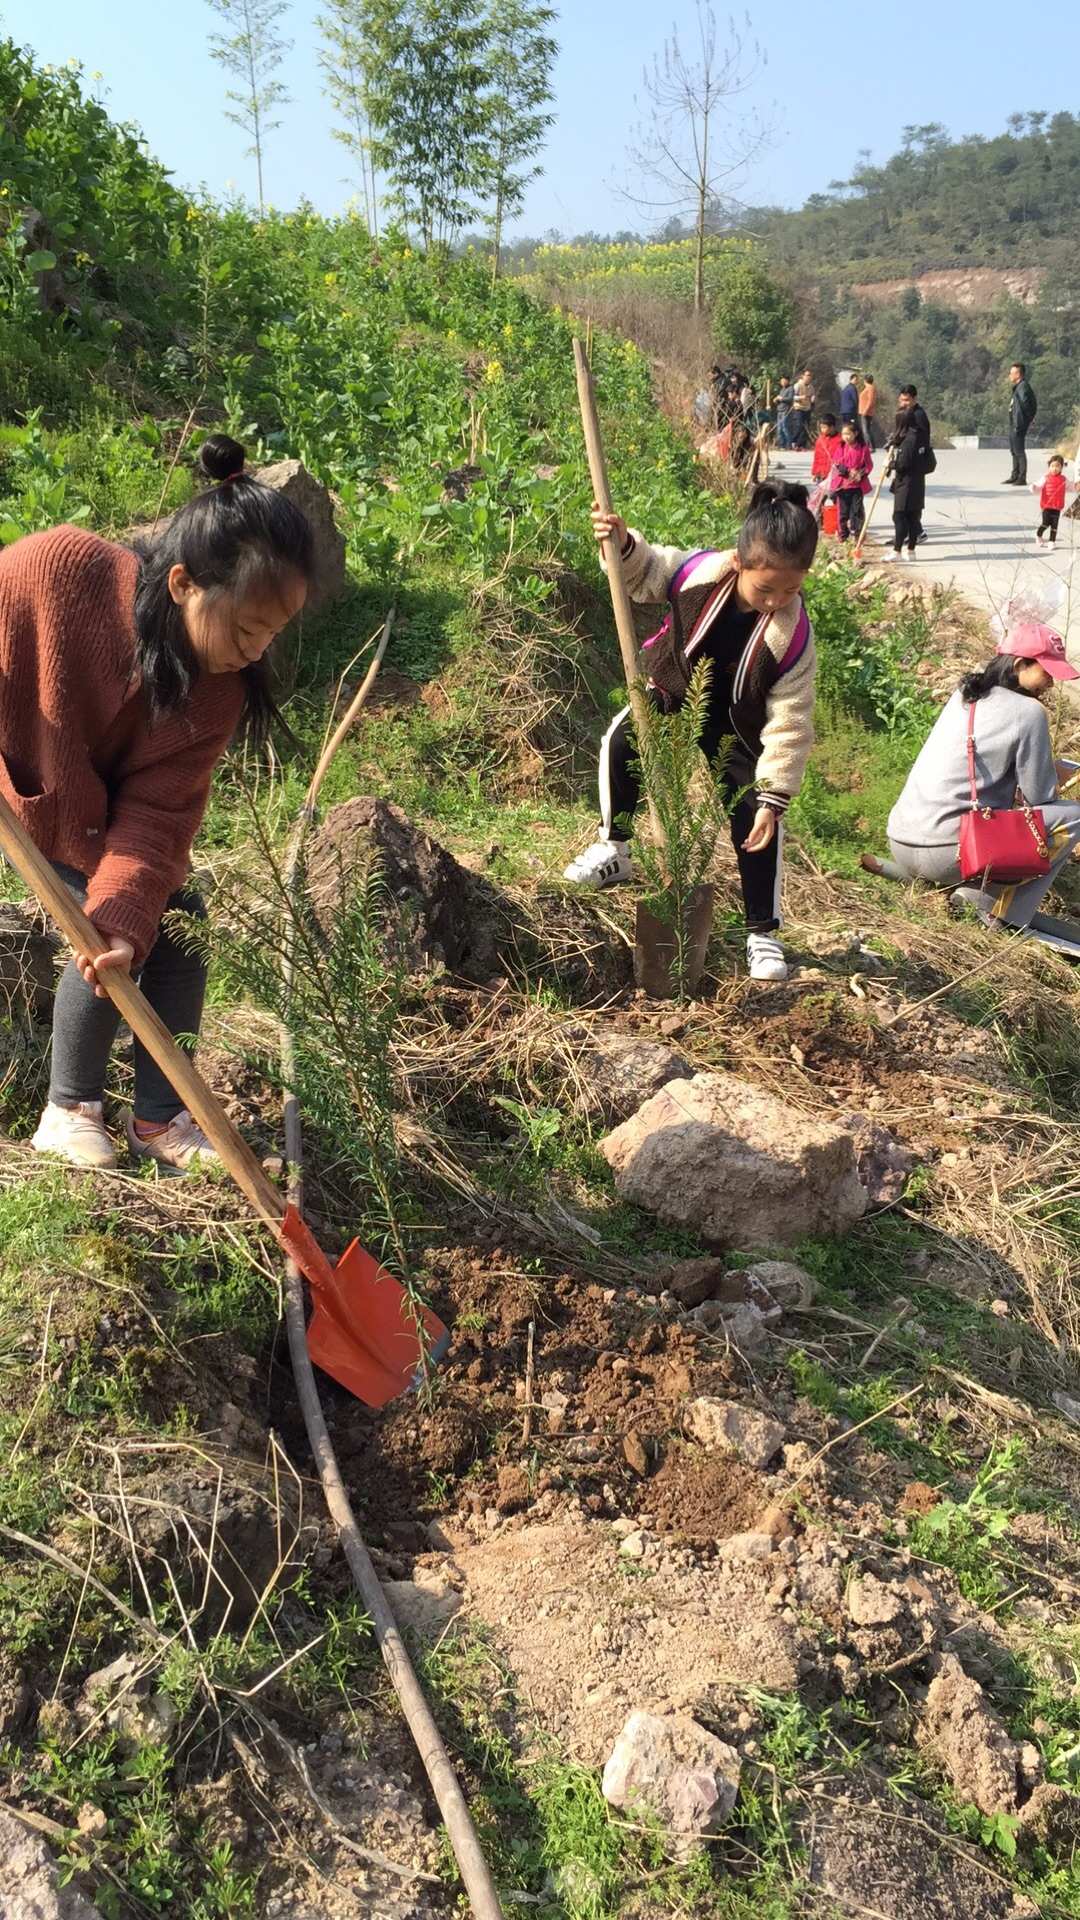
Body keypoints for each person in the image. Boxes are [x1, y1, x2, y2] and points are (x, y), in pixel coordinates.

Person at [0, 434, 314, 1172]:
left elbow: (159, 817)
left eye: (271, 635)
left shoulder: (218, 693)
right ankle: (67, 1107)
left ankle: (161, 1118)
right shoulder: (63, 572)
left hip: (92, 810)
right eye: (244, 629)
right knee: (89, 911)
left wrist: (127, 910)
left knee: (164, 922)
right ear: (183, 584)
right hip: (23, 783)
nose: (254, 652)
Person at [563, 481, 819, 983]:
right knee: (621, 741)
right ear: (740, 562)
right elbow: (648, 571)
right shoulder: (701, 573)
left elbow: (791, 719)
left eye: (790, 590)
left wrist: (774, 796)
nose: (776, 601)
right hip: (676, 687)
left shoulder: (793, 639)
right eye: (765, 589)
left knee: (754, 817)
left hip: (737, 723)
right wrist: (621, 544)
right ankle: (615, 848)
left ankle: (762, 931)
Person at [886, 624, 1080, 930]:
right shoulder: (1029, 712)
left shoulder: (966, 695)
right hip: (948, 854)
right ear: (1020, 665)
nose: (1052, 684)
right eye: (1048, 672)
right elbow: (1040, 798)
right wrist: (1053, 771)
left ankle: (972, 890)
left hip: (900, 840)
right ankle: (994, 906)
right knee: (1073, 816)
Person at [886, 385, 934, 560]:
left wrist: (891, 463)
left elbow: (905, 461)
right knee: (913, 515)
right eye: (901, 399)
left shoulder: (917, 422)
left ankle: (898, 550)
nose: (903, 403)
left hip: (909, 477)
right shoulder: (909, 431)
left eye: (906, 400)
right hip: (915, 475)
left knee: (901, 515)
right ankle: (910, 550)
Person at [828, 419, 873, 543]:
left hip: (857, 487)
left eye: (848, 434)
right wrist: (848, 471)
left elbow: (869, 465)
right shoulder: (841, 448)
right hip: (843, 486)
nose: (846, 437)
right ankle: (843, 535)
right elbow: (836, 463)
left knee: (857, 512)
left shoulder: (863, 449)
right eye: (843, 434)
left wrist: (861, 473)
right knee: (842, 513)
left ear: (856, 433)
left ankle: (858, 534)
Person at [1005, 362, 1037, 486]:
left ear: (1018, 374)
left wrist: (1028, 418)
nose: (1009, 375)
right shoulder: (1018, 387)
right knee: (1013, 450)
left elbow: (1026, 404)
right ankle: (1015, 475)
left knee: (1019, 450)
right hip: (1014, 423)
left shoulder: (1023, 386)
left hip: (1019, 423)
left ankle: (1022, 477)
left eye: (1011, 373)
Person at [1034, 453, 1072, 545]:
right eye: (1052, 466)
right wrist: (1034, 487)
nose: (1054, 468)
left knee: (1054, 525)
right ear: (1049, 467)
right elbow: (1038, 486)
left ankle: (1052, 541)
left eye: (1057, 466)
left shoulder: (1064, 479)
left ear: (1061, 467)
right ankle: (1038, 534)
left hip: (1057, 506)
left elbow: (1070, 487)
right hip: (1046, 505)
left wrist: (1077, 486)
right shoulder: (1045, 478)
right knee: (1046, 523)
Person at [811, 413, 843, 486]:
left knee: (834, 495)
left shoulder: (840, 441)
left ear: (832, 427)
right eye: (821, 427)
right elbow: (817, 457)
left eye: (824, 427)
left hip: (834, 474)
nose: (822, 430)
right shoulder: (820, 440)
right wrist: (815, 472)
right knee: (820, 495)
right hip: (821, 474)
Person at [791, 368, 815, 449]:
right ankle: (793, 441)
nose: (809, 377)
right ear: (803, 376)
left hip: (807, 408)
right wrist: (801, 397)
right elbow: (792, 397)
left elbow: (812, 395)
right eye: (807, 375)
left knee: (806, 427)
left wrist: (813, 399)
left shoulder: (811, 387)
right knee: (799, 426)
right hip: (799, 408)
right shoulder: (797, 385)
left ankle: (801, 445)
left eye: (810, 375)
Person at [858, 373, 878, 448]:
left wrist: (865, 411)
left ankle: (869, 446)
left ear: (865, 380)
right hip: (864, 411)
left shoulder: (870, 388)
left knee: (866, 430)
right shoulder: (868, 388)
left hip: (866, 412)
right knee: (867, 430)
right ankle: (870, 446)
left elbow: (870, 401)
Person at [775, 375, 795, 449]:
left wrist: (781, 398)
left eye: (783, 381)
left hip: (786, 411)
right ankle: (781, 445)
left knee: (785, 427)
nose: (782, 382)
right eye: (781, 381)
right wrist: (777, 399)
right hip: (779, 410)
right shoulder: (782, 389)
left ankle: (788, 444)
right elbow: (780, 400)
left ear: (787, 381)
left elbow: (790, 399)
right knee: (779, 428)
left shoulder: (791, 388)